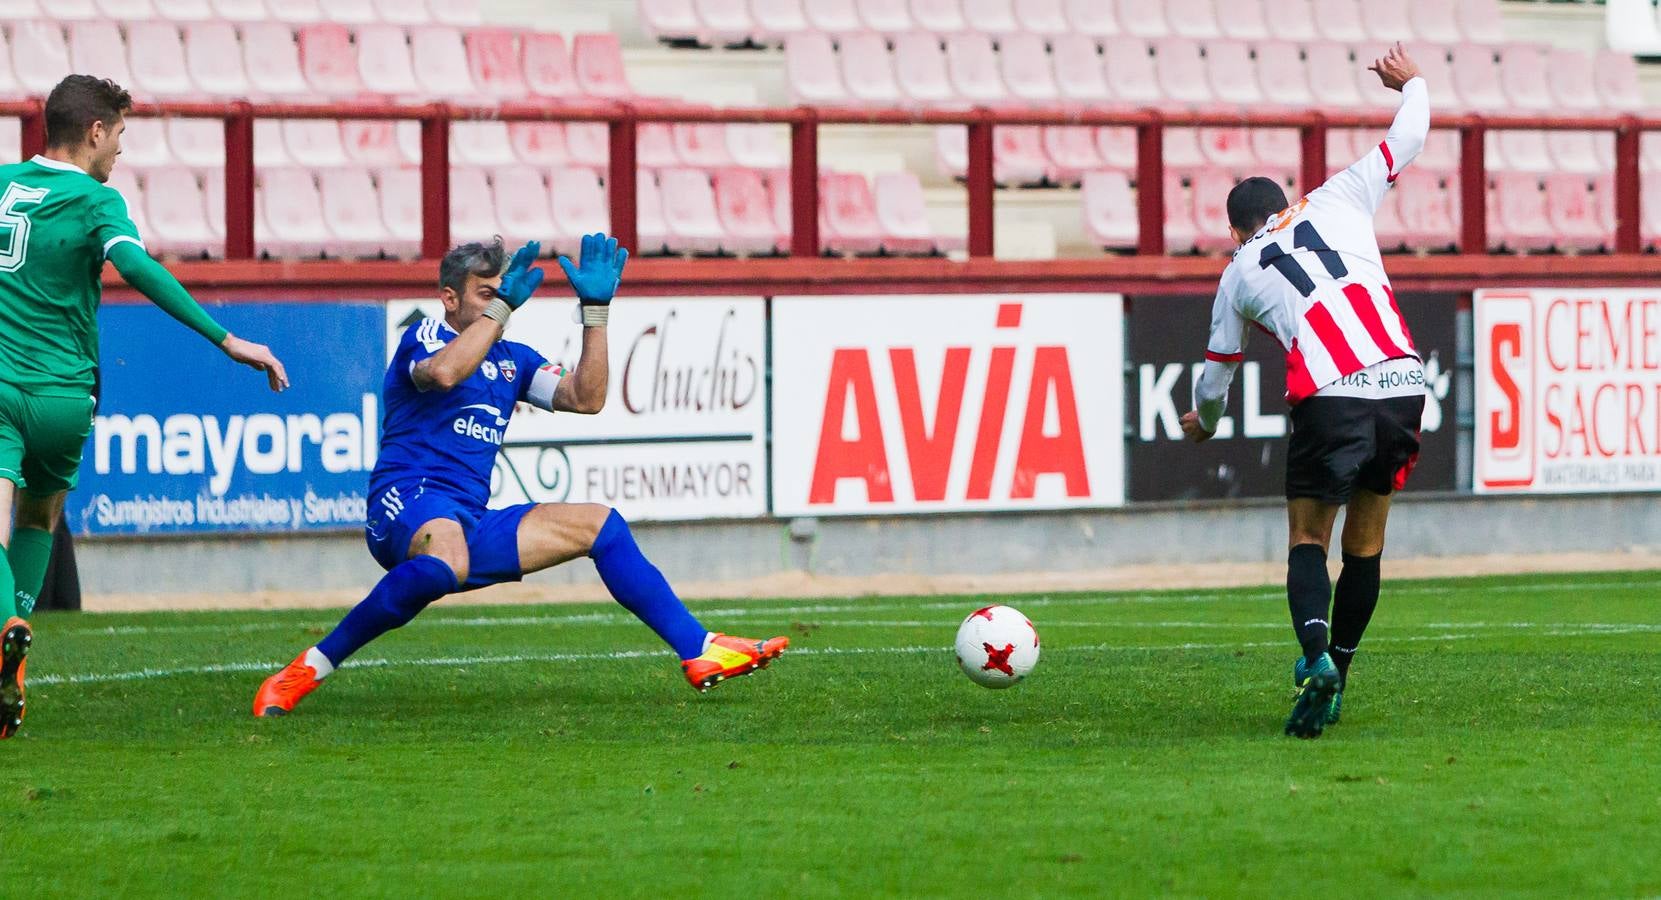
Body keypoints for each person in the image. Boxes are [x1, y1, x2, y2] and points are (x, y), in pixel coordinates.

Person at [252, 234, 788, 717]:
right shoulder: (423, 336)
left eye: (501, 291)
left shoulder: (513, 361)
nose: (498, 301)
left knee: (600, 525)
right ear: (449, 297)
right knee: (450, 557)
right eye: (485, 293)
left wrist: (595, 312)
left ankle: (698, 649)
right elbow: (444, 373)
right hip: (403, 503)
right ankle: (310, 667)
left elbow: (587, 397)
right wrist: (504, 308)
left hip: (465, 517)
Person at [0, 75, 289, 739]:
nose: (121, 151)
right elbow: (138, 269)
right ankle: (15, 638)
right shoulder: (97, 201)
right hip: (68, 397)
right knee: (42, 515)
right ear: (96, 131)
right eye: (120, 135)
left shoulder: (3, 184)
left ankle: (4, 629)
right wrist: (226, 338)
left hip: (2, 388)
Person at [1180, 43, 1429, 739]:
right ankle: (1339, 676)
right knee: (1366, 545)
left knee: (1306, 539)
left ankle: (1315, 658)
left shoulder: (1236, 270)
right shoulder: (1340, 194)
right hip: (1403, 378)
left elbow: (1214, 376)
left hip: (1330, 393)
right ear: (1285, 205)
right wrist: (1412, 84)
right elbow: (1408, 134)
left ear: (1234, 230)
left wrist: (1203, 421)